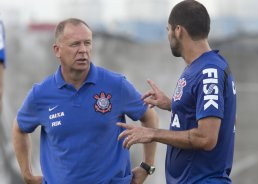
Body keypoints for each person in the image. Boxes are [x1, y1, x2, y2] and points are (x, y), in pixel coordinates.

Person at [12, 18, 158, 184]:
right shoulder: (41, 94)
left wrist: (147, 166)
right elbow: (19, 128)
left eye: (87, 43)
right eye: (75, 44)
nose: (83, 50)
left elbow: (149, 116)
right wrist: (27, 175)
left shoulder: (116, 85)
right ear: (57, 50)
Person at [117, 0, 237, 183]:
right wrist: (173, 105)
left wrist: (153, 133)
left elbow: (207, 137)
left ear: (178, 30)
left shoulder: (209, 71)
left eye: (168, 29)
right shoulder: (199, 67)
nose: (168, 35)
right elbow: (214, 113)